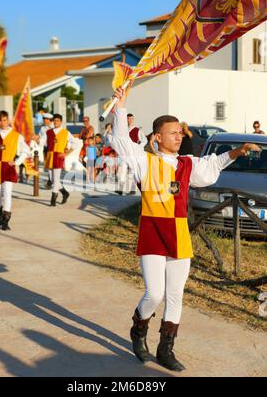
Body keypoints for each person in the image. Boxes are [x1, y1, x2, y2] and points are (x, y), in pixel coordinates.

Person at [110, 87, 261, 373]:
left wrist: (237, 152)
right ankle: (138, 327)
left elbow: (212, 164)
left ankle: (166, 347)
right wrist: (120, 106)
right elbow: (119, 141)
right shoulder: (144, 161)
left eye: (180, 132)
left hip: (178, 233)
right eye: (173, 132)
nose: (179, 136)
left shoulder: (187, 164)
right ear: (157, 137)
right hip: (153, 231)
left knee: (176, 294)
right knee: (154, 294)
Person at [43, 114, 77, 207]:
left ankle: (53, 199)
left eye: (57, 120)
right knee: (53, 179)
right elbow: (44, 143)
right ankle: (65, 193)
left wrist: (66, 153)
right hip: (50, 156)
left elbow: (75, 143)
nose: (55, 122)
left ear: (61, 121)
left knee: (56, 178)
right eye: (54, 120)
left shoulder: (65, 132)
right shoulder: (48, 132)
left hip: (58, 156)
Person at [39, 113, 54, 189]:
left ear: (49, 120)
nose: (44, 120)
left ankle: (51, 181)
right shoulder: (42, 128)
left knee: (53, 166)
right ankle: (50, 181)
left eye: (45, 119)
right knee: (48, 165)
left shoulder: (54, 127)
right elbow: (40, 137)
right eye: (43, 119)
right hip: (46, 148)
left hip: (53, 148)